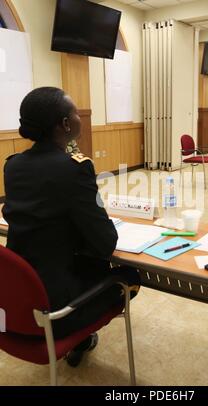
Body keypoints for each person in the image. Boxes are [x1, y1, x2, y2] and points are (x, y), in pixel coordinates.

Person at [3, 87, 140, 366]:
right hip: (54, 310)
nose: (80, 117)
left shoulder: (13, 165)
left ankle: (83, 341)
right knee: (129, 276)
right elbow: (105, 244)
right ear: (66, 124)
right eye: (76, 113)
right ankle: (80, 337)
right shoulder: (74, 169)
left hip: (14, 300)